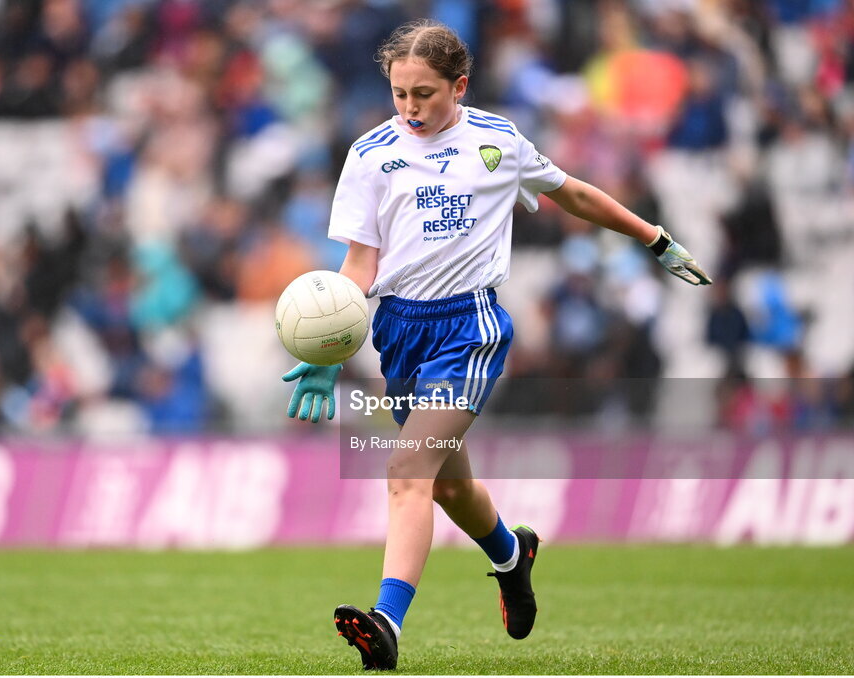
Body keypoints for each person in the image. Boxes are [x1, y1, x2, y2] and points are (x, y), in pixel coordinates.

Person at [281, 19, 711, 671]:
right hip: (399, 332)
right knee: (450, 489)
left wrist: (653, 237)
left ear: (460, 85)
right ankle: (512, 556)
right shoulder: (370, 154)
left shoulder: (497, 141)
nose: (410, 107)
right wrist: (323, 352)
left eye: (424, 93)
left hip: (468, 330)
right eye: (399, 93)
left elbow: (573, 194)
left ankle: (386, 624)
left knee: (406, 471)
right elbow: (359, 268)